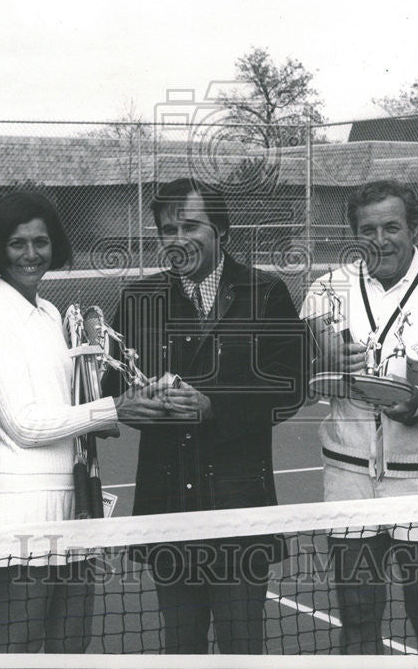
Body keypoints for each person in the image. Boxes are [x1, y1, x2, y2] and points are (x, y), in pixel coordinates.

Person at [101, 177, 307, 655]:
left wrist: (214, 405)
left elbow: (289, 387)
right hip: (166, 503)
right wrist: (137, 405)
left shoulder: (266, 292)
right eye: (167, 229)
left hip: (239, 505)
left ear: (222, 231)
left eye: (190, 226)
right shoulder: (137, 299)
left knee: (242, 647)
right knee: (182, 648)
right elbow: (111, 387)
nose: (177, 239)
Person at [0, 190, 166, 653]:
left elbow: (70, 404)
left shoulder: (51, 312)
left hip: (77, 499)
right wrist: (115, 409)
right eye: (17, 243)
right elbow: (25, 425)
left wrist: (125, 398)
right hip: (19, 506)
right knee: (23, 647)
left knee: (71, 646)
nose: (31, 254)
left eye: (41, 241)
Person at [299, 179, 418, 655]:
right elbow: (302, 379)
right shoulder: (325, 289)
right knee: (357, 624)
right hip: (348, 479)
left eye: (392, 226)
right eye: (368, 229)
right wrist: (324, 368)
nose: (380, 239)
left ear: (414, 227)